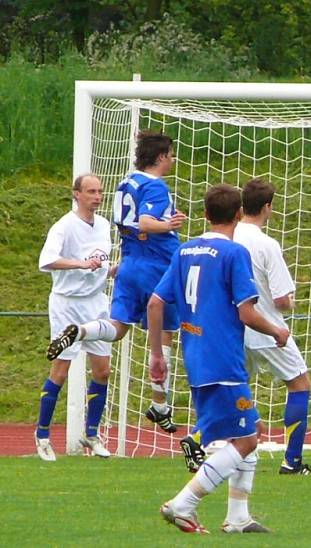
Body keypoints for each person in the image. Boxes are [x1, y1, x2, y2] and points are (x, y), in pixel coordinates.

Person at [149, 184, 289, 534]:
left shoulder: (184, 251)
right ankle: (184, 502)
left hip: (195, 358)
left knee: (247, 431)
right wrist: (277, 332)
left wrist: (156, 354)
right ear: (239, 215)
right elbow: (246, 312)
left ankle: (238, 517)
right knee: (246, 441)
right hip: (223, 359)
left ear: (205, 214)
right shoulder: (233, 253)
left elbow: (154, 303)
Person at [47, 131, 186, 433]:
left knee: (117, 328)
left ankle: (81, 331)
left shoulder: (126, 182)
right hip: (157, 265)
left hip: (129, 265)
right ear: (161, 157)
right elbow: (148, 223)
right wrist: (169, 224)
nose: (173, 160)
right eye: (171, 154)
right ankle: (160, 404)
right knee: (165, 335)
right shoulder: (155, 187)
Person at [179, 178, 311, 476]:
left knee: (235, 390)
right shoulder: (266, 244)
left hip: (232, 333)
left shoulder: (228, 238)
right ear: (267, 207)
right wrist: (291, 303)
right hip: (264, 327)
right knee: (300, 383)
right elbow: (280, 299)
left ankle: (197, 436)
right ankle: (292, 461)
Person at [35, 174, 114, 461]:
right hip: (67, 303)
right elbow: (47, 260)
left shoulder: (104, 225)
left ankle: (91, 434)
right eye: (91, 191)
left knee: (103, 370)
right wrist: (81, 264)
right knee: (61, 369)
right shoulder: (64, 226)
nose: (97, 196)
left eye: (100, 191)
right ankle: (42, 435)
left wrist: (113, 270)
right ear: (76, 194)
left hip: (96, 302)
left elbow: (101, 263)